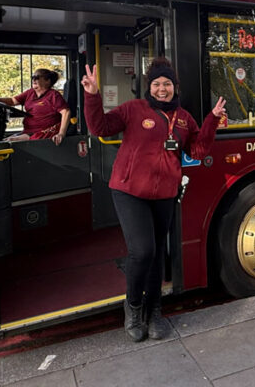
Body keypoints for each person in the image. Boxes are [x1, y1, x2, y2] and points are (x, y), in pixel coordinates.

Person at [82, 57, 226, 342]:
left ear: (175, 87)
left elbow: (197, 151)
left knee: (158, 252)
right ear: (150, 86)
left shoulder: (184, 118)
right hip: (129, 191)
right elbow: (100, 127)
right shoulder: (134, 109)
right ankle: (133, 307)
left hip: (165, 195)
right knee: (143, 251)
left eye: (167, 84)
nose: (162, 89)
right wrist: (92, 96)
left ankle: (155, 309)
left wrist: (212, 120)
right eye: (157, 84)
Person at [0, 68, 69, 144]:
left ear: (47, 81)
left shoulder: (53, 95)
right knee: (4, 141)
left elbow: (66, 112)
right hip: (29, 131)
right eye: (32, 77)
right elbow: (12, 101)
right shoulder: (30, 92)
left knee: (9, 141)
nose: (33, 80)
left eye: (37, 78)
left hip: (42, 133)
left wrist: (61, 133)